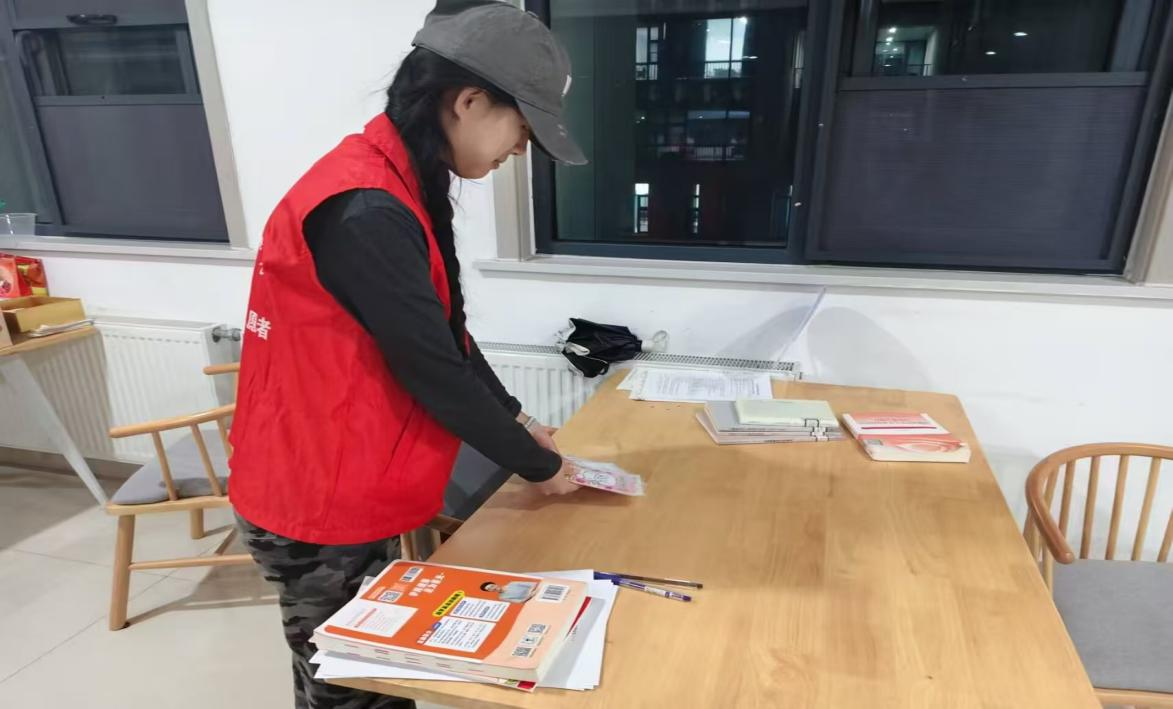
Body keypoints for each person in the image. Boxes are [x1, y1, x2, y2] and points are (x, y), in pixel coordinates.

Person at [226, 2, 587, 707]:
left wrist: (518, 419)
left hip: (343, 476)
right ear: (469, 101)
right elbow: (433, 370)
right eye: (522, 128)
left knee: (359, 676)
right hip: (316, 497)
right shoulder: (365, 206)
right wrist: (539, 466)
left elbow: (444, 333)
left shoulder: (396, 178)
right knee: (353, 686)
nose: (520, 149)